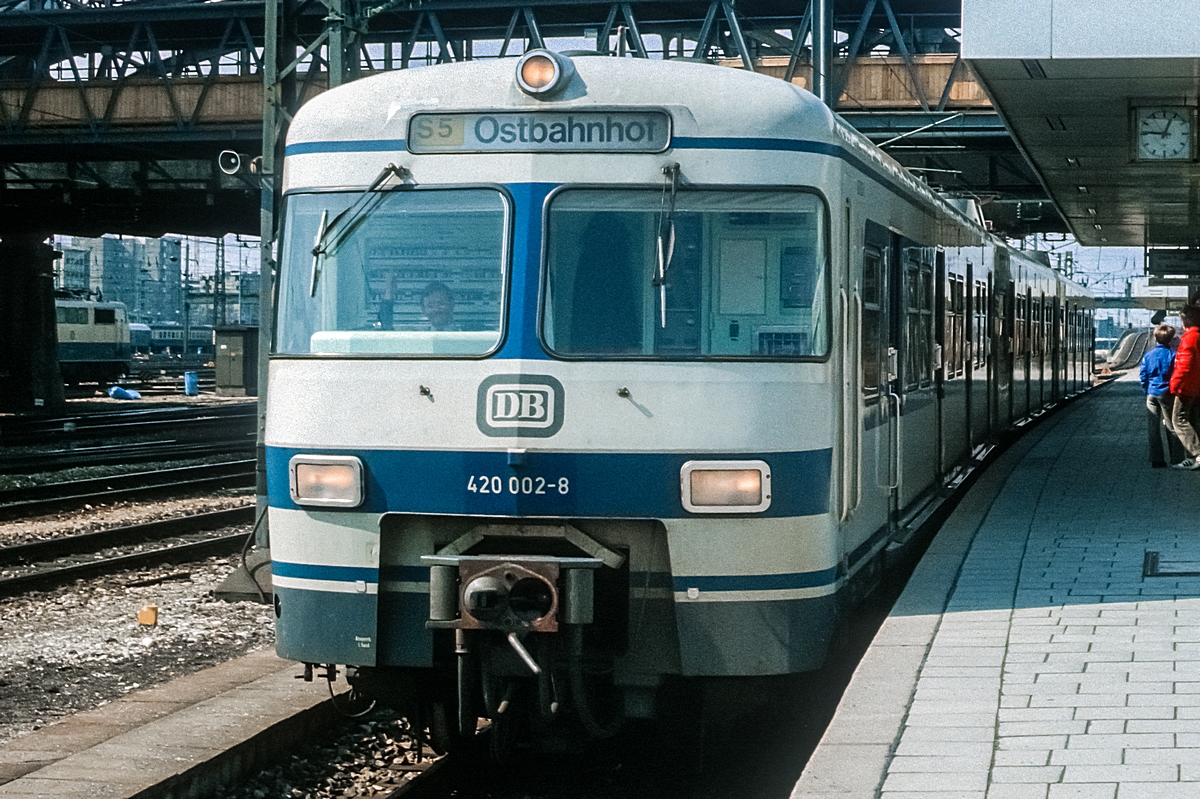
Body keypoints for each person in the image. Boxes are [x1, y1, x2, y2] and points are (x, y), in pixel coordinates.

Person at [1140, 323, 1185, 467]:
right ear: (1171, 339)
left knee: (1153, 428)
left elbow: (1143, 375)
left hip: (1151, 394)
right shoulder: (1173, 355)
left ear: (1156, 338)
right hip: (1167, 394)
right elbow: (1177, 374)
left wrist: (1147, 389)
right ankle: (1176, 458)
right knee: (1171, 426)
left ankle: (1157, 460)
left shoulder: (1148, 355)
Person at [1170, 305, 1200, 470]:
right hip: (1196, 386)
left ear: (1186, 321)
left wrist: (1174, 385)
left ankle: (1197, 453)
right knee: (1193, 420)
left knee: (1178, 420)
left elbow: (1184, 366)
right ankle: (1192, 459)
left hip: (1186, 387)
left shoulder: (1189, 338)